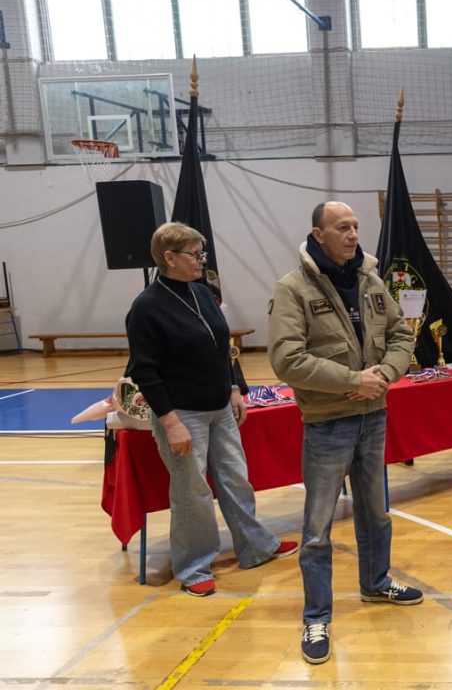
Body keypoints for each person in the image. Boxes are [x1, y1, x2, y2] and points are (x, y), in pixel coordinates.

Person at [267, 201, 420, 666]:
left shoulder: (371, 280)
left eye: (355, 226)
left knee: (377, 512)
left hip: (373, 416)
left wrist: (383, 376)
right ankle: (316, 616)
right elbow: (287, 359)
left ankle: (376, 582)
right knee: (317, 528)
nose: (353, 234)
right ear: (318, 235)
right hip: (328, 421)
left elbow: (402, 336)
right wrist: (353, 380)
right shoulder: (292, 289)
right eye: (342, 227)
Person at [125, 222, 297, 598]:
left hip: (219, 407)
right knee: (193, 493)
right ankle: (193, 566)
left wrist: (234, 388)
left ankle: (255, 546)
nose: (202, 260)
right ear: (169, 258)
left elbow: (221, 346)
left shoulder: (202, 293)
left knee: (236, 479)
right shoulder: (146, 307)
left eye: (201, 253)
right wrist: (170, 421)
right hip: (182, 414)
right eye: (195, 254)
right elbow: (144, 370)